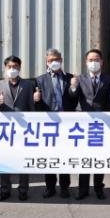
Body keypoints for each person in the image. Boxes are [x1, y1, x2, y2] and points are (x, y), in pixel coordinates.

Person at [0, 55, 36, 201]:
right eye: (10, 67)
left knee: (23, 160)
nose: (12, 69)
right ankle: (5, 189)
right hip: (5, 129)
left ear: (20, 68)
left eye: (15, 67)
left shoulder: (28, 85)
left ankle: (23, 189)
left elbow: (31, 106)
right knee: (5, 160)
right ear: (5, 68)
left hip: (23, 128)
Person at [68, 49, 110, 200]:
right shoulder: (79, 79)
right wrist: (73, 87)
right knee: (84, 158)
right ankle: (83, 189)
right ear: (86, 63)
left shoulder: (109, 79)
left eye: (96, 60)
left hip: (101, 124)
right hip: (84, 123)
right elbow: (73, 96)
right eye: (91, 60)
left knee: (99, 158)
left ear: (102, 62)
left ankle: (99, 188)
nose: (94, 62)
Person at [35, 48, 77, 199]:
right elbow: (37, 105)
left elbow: (75, 99)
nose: (54, 62)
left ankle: (65, 187)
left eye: (56, 59)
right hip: (49, 124)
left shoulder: (70, 78)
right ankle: (50, 187)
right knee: (49, 157)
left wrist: (74, 87)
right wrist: (36, 100)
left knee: (64, 156)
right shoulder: (40, 80)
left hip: (66, 123)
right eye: (50, 60)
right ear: (47, 62)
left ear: (61, 60)